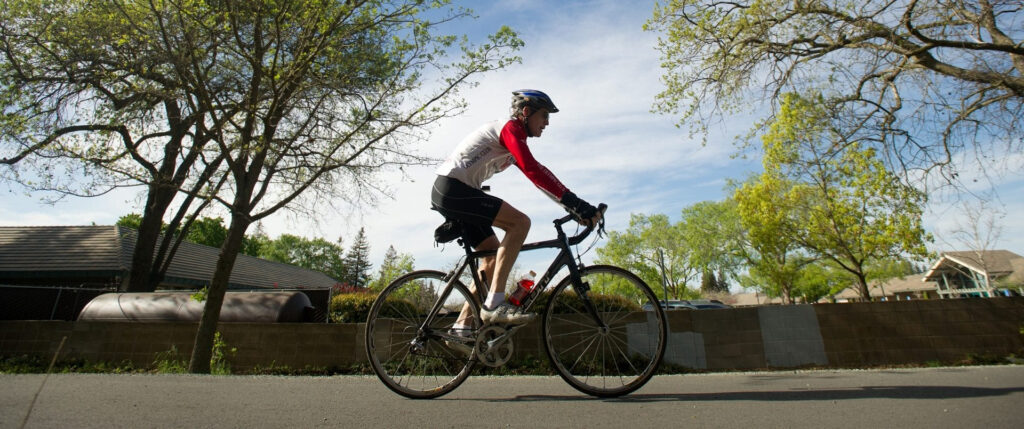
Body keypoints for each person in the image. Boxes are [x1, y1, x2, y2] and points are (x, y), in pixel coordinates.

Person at [431, 89, 601, 334]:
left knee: (490, 257)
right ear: (525, 113)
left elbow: (538, 178)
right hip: (453, 189)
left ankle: (461, 327)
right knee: (520, 223)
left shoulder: (515, 139)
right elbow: (533, 169)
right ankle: (494, 303)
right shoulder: (510, 129)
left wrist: (572, 207)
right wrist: (576, 203)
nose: (547, 123)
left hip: (456, 191)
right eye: (544, 116)